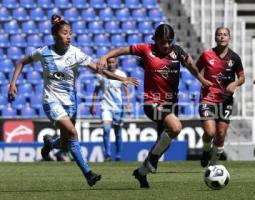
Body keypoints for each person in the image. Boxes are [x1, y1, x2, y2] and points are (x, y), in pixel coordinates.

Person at [8, 15, 138, 186]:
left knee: (65, 145)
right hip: (51, 100)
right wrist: (12, 84)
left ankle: (49, 143)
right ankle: (88, 174)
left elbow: (99, 70)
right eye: (65, 33)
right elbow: (21, 62)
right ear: (55, 35)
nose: (69, 36)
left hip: (71, 103)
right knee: (73, 134)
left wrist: (120, 78)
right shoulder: (44, 52)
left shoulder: (76, 53)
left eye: (70, 33)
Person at [97, 24, 207, 188]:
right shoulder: (145, 49)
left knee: (164, 142)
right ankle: (152, 159)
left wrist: (203, 81)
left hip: (171, 103)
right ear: (155, 40)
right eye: (163, 42)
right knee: (176, 127)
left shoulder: (177, 52)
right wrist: (105, 56)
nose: (167, 45)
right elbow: (122, 50)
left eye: (170, 41)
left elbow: (192, 68)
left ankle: (141, 172)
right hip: (152, 102)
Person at [196, 27, 245, 167]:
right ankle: (206, 150)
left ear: (229, 38)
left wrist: (235, 83)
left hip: (226, 100)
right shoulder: (207, 55)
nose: (222, 37)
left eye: (225, 35)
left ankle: (212, 165)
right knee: (210, 132)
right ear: (215, 38)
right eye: (219, 34)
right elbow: (195, 70)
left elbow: (242, 77)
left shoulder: (234, 57)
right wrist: (202, 81)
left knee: (221, 134)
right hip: (208, 98)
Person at [91, 57, 131, 162]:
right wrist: (93, 105)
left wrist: (128, 103)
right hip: (105, 106)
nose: (111, 64)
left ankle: (118, 155)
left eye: (113, 62)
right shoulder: (101, 74)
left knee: (118, 132)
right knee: (106, 129)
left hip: (118, 107)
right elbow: (96, 91)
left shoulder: (121, 74)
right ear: (107, 63)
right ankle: (107, 155)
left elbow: (126, 90)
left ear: (116, 62)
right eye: (109, 62)